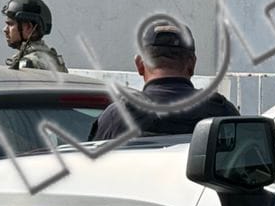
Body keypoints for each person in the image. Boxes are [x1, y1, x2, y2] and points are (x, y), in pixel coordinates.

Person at [89, 19, 241, 141]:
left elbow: (92, 167)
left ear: (140, 65)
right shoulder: (223, 113)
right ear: (192, 64)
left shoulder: (116, 117)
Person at [2, 0, 68, 72]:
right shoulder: (51, 58)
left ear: (29, 27)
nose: (5, 29)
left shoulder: (30, 64)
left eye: (10, 24)